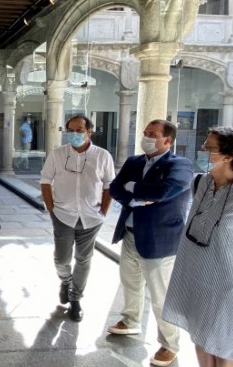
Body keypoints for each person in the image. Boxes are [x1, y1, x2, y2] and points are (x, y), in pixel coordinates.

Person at [162, 126, 233, 367]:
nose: (202, 150)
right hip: (195, 277)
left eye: (208, 147)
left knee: (223, 347)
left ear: (228, 156)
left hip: (227, 286)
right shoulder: (201, 183)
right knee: (200, 338)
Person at [106, 119, 193, 367]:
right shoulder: (134, 162)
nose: (145, 137)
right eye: (145, 133)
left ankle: (169, 344)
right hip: (131, 233)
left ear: (167, 140)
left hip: (160, 240)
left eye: (152, 134)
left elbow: (165, 191)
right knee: (130, 283)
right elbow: (114, 188)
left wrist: (132, 186)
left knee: (160, 296)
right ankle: (131, 321)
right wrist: (134, 199)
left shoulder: (180, 165)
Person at [40, 114, 115, 322]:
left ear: (89, 131)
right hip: (63, 214)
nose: (74, 134)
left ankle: (75, 299)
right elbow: (45, 181)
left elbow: (109, 185)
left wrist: (103, 212)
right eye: (71, 130)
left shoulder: (102, 156)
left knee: (84, 259)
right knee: (61, 258)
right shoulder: (57, 154)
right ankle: (65, 280)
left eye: (79, 130)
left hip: (91, 217)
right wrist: (51, 208)